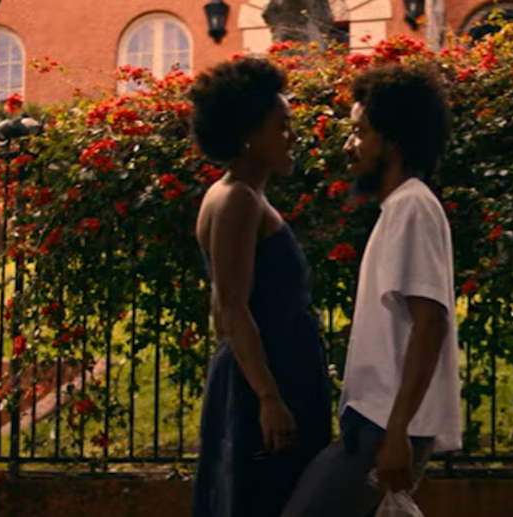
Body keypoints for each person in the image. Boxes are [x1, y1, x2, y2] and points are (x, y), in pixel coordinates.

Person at [281, 63, 460, 517]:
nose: (348, 145)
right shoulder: (400, 207)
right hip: (375, 421)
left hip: (386, 425)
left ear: (392, 141)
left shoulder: (413, 207)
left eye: (360, 132)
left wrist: (398, 431)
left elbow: (431, 323)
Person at [188, 57, 333, 517]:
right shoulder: (237, 200)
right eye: (281, 125)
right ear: (247, 135)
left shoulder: (242, 196)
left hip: (272, 374)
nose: (292, 136)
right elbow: (231, 308)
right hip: (266, 380)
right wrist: (268, 398)